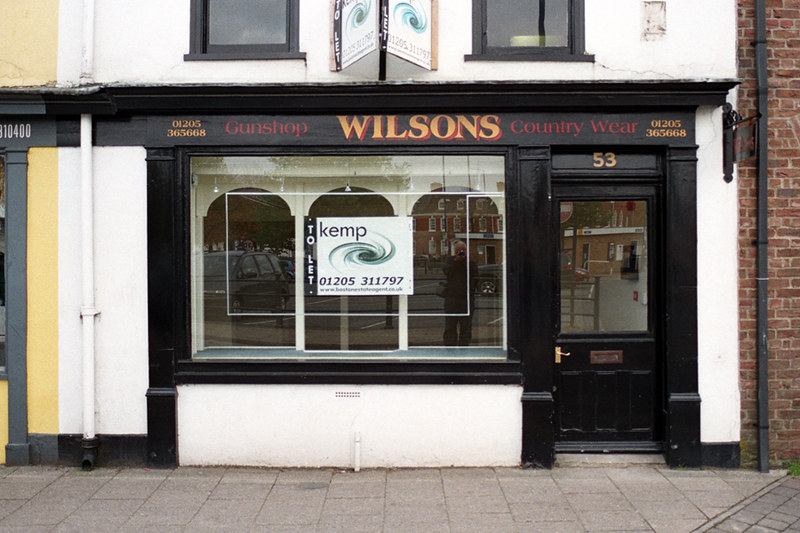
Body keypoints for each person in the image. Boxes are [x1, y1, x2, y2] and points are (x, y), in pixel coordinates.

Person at [442, 241, 477, 346]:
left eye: (463, 251)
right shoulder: (450, 261)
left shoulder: (470, 262)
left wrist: (464, 262)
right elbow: (447, 273)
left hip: (466, 299)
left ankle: (464, 347)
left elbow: (475, 277)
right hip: (452, 299)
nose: (461, 253)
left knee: (466, 326)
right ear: (455, 251)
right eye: (458, 251)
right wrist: (456, 261)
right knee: (450, 326)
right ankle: (449, 348)